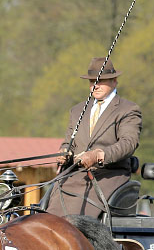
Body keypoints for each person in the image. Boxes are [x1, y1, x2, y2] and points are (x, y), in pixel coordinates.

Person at [48, 56, 142, 217]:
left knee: (76, 214)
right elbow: (69, 142)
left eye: (101, 81)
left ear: (114, 81)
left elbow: (129, 143)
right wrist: (65, 152)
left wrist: (99, 155)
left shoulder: (127, 109)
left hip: (109, 175)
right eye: (92, 82)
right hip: (76, 175)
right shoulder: (77, 110)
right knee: (50, 210)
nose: (95, 85)